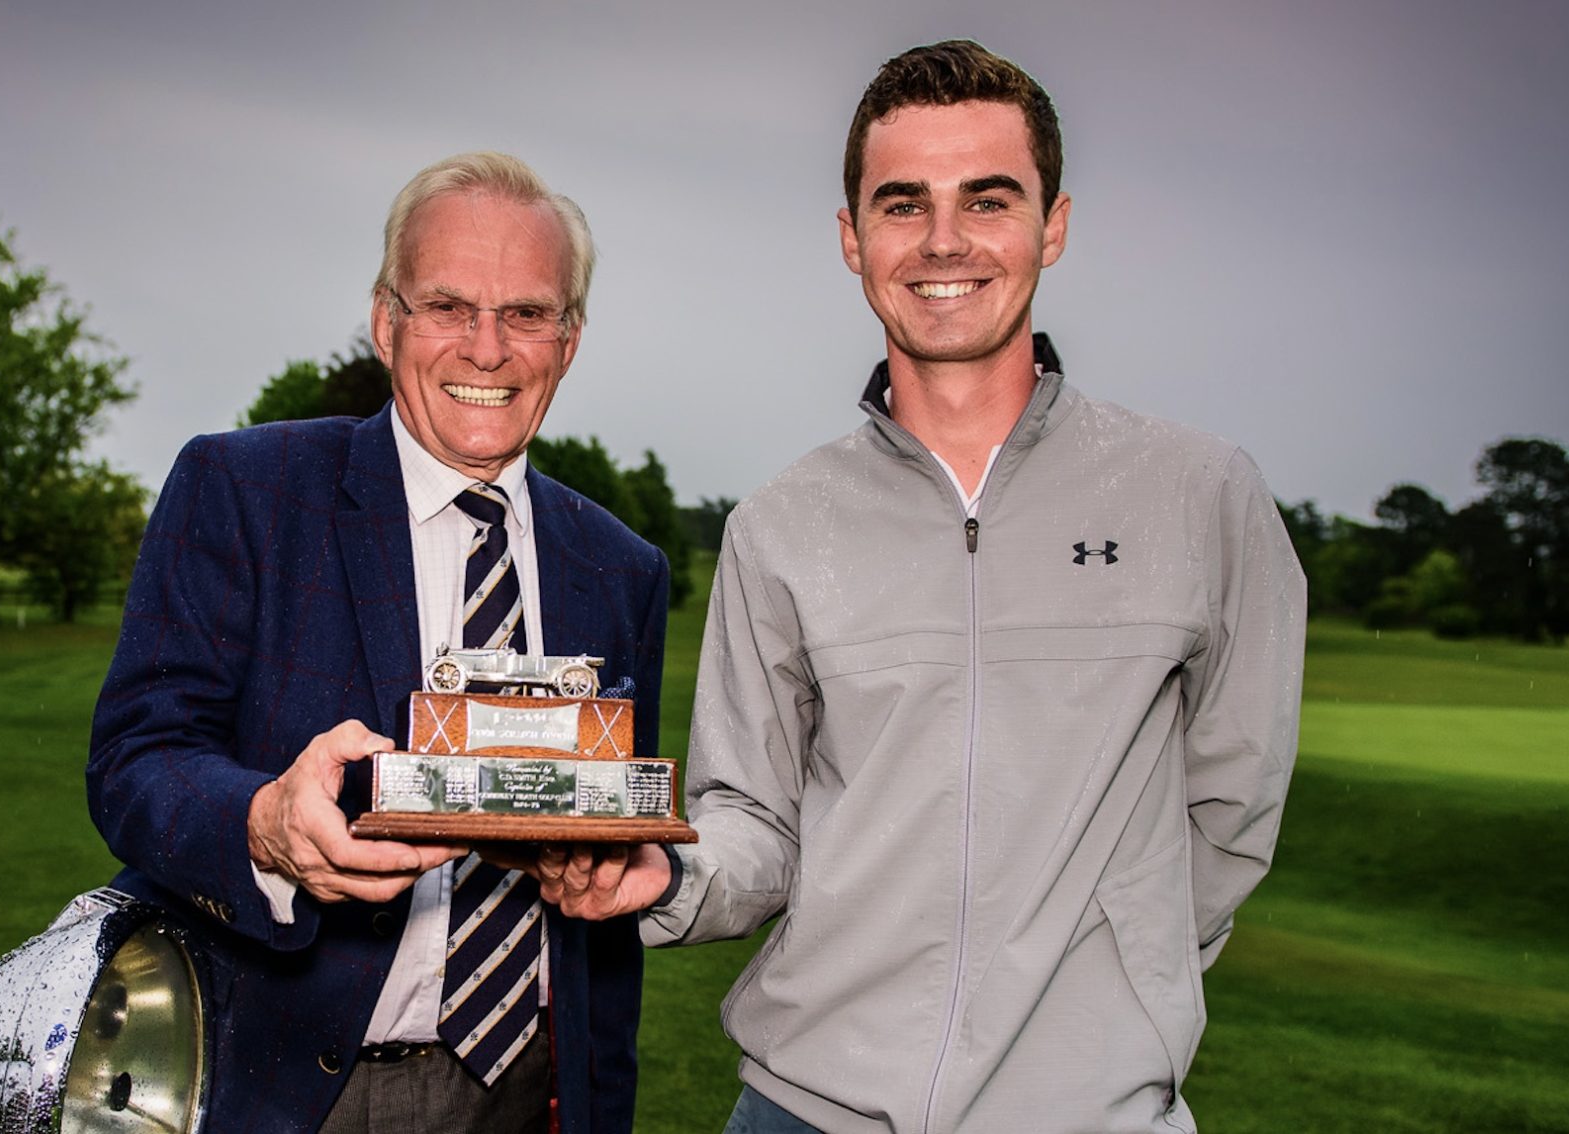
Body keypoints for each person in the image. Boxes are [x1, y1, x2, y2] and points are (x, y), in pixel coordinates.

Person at [538, 40, 1306, 1133]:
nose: (943, 240)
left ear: (1054, 223)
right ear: (853, 239)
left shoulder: (1198, 495)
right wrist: (662, 880)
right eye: (903, 205)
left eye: (986, 199)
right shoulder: (781, 526)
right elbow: (751, 819)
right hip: (802, 1110)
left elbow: (1231, 809)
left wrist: (1116, 994)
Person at [88, 151, 670, 1134]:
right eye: (447, 305)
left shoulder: (620, 568)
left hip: (526, 1090)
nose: (487, 349)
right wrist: (263, 821)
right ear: (386, 318)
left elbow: (613, 855)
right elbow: (135, 763)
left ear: (567, 341)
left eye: (526, 313)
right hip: (285, 1086)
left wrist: (618, 868)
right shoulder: (245, 491)